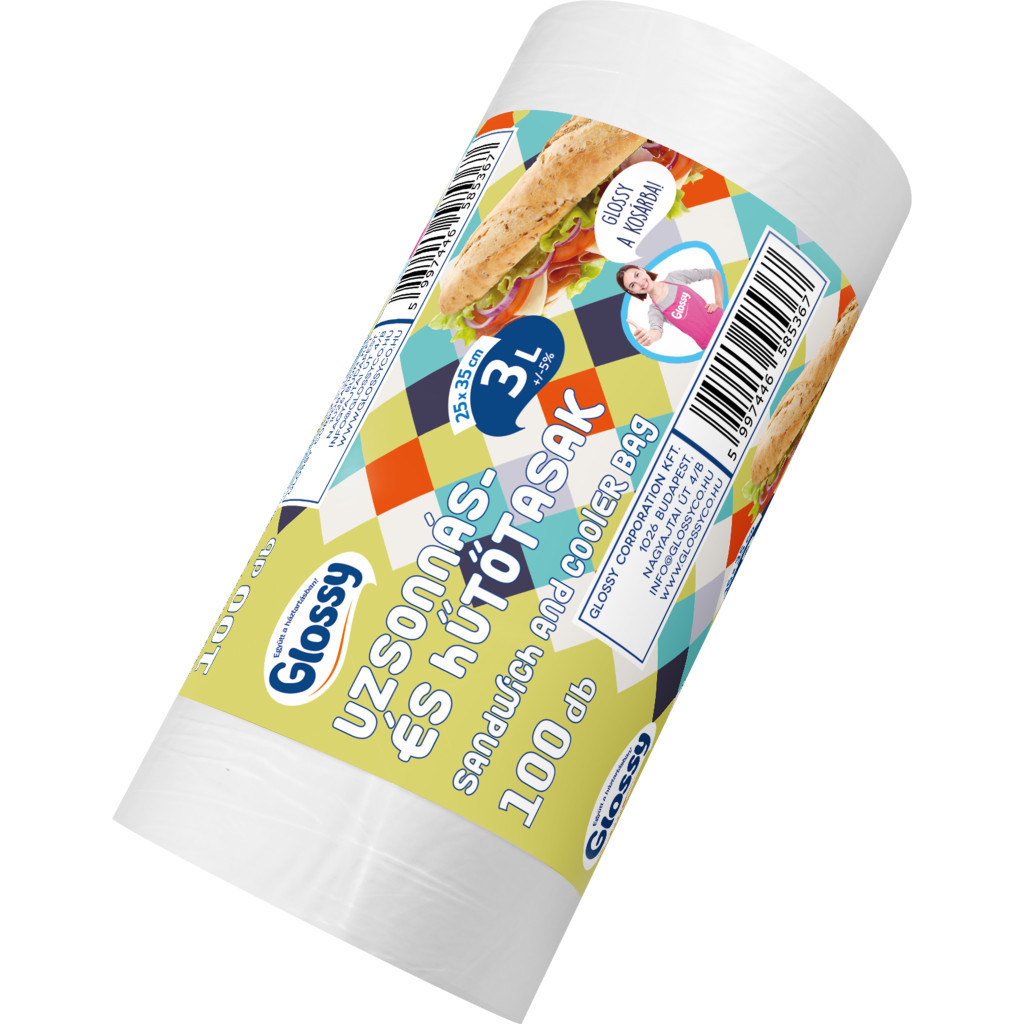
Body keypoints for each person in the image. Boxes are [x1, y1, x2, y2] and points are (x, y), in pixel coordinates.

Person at [616, 263, 724, 351]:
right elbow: (656, 331)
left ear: (642, 270)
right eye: (633, 285)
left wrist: (718, 303)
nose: (640, 282)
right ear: (632, 292)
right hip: (711, 346)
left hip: (723, 320)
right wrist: (649, 337)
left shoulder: (674, 278)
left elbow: (713, 273)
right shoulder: (655, 310)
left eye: (637, 275)